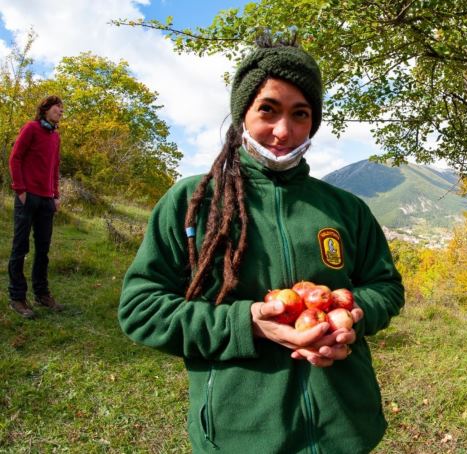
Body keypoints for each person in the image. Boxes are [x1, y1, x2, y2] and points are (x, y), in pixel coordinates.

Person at [119, 40, 404, 453]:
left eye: (300, 114)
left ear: (313, 123)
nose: (283, 131)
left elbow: (386, 286)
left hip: (346, 429)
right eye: (268, 109)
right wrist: (248, 324)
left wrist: (351, 319)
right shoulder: (192, 205)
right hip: (242, 436)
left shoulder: (345, 209)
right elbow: (141, 309)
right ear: (242, 115)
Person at [8, 95, 65, 319]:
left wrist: (56, 195)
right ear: (45, 109)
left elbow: (54, 168)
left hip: (47, 200)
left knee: (43, 250)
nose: (61, 111)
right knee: (20, 248)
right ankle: (17, 298)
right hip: (27, 197)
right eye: (57, 107)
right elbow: (15, 158)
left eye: (62, 108)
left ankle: (42, 294)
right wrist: (20, 189)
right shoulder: (31, 128)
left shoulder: (55, 137)